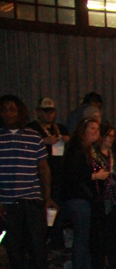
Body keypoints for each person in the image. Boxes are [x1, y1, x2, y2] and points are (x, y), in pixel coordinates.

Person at [0, 94, 58, 269]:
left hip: (32, 198)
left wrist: (47, 196)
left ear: (20, 112)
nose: (8, 113)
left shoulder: (33, 137)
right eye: (4, 109)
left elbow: (44, 169)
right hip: (8, 200)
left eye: (12, 109)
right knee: (13, 242)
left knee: (37, 241)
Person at [61, 117, 107, 269]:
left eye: (97, 129)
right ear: (83, 131)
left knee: (85, 235)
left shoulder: (90, 149)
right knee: (81, 235)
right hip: (77, 198)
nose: (95, 132)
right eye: (91, 129)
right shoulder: (76, 148)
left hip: (85, 197)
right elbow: (72, 174)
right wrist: (95, 175)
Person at [27, 97, 69, 249]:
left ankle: (57, 243)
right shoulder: (32, 129)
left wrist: (67, 140)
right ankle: (43, 242)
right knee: (43, 212)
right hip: (40, 177)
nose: (49, 115)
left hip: (58, 176)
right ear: (39, 112)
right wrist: (43, 141)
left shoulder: (61, 128)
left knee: (56, 212)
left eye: (51, 111)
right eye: (45, 111)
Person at [96, 121, 116, 269]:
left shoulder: (114, 155)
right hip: (102, 196)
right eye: (108, 136)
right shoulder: (95, 155)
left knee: (113, 229)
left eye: (113, 136)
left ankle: (113, 260)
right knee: (103, 230)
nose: (111, 139)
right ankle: (102, 260)